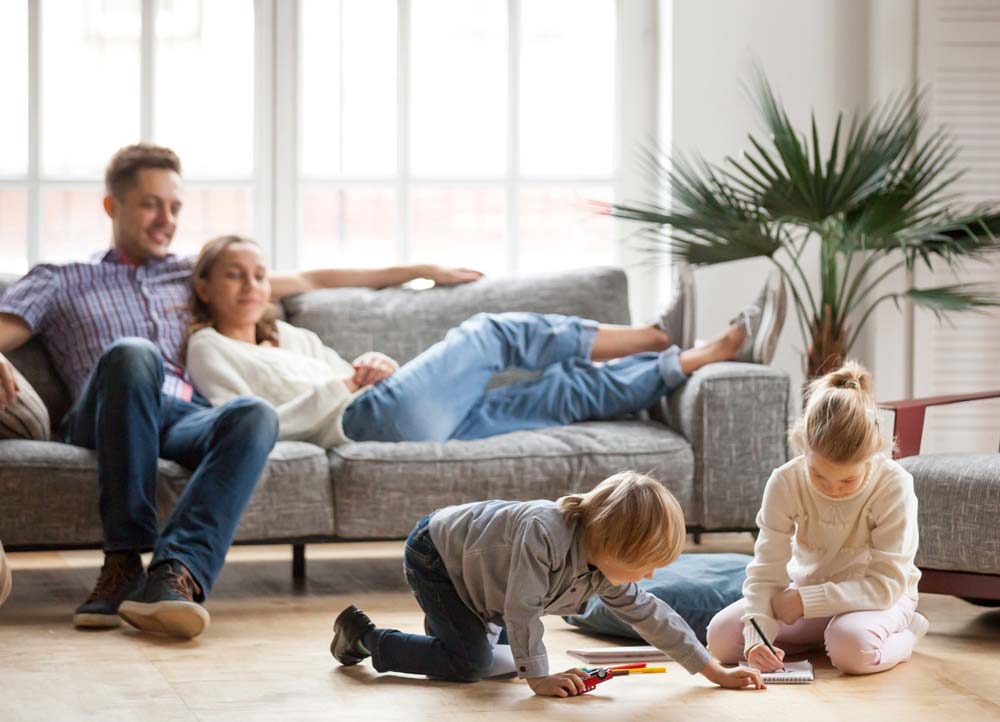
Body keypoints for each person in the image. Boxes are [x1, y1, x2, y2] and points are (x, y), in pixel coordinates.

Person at [0, 143, 481, 638]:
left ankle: (174, 576)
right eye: (150, 204)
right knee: (134, 353)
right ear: (112, 206)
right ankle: (122, 561)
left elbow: (312, 278)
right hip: (105, 414)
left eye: (174, 206)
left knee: (253, 413)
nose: (166, 218)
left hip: (179, 415)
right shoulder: (62, 280)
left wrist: (421, 270)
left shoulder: (189, 274)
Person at [184, 235, 787, 447]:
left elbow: (350, 369)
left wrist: (370, 364)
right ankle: (655, 335)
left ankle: (696, 356)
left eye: (259, 274)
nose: (250, 285)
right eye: (234, 274)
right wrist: (347, 384)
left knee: (560, 393)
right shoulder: (209, 348)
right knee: (492, 332)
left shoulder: (289, 334)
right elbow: (243, 423)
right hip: (362, 421)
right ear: (205, 286)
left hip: (396, 408)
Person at [330, 471, 766, 695]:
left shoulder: (604, 570)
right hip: (438, 557)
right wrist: (539, 678)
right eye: (643, 565)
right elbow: (522, 610)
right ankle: (365, 638)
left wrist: (715, 672)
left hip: (484, 582)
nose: (649, 576)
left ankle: (450, 636)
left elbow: (654, 617)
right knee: (472, 666)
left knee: (495, 663)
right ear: (612, 545)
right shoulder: (544, 532)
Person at [705, 361, 928, 675]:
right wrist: (758, 637)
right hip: (808, 593)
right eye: (819, 476)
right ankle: (822, 637)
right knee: (721, 640)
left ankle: (905, 634)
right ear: (802, 447)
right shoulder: (785, 481)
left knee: (852, 650)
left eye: (848, 481)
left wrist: (804, 602)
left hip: (879, 598)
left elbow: (885, 585)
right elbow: (766, 572)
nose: (833, 490)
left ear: (874, 454)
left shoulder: (894, 485)